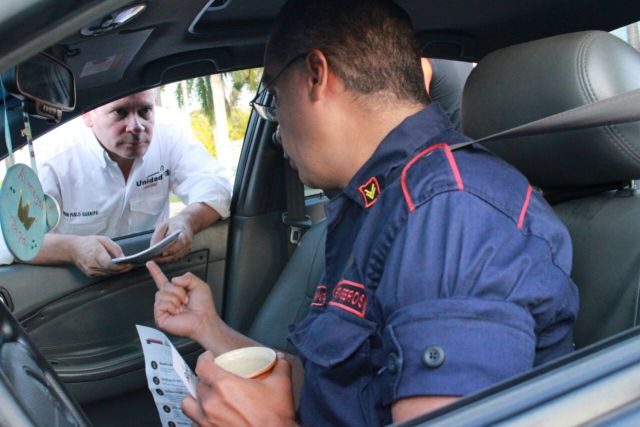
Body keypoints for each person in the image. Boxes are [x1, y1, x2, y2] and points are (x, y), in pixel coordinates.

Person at [148, 0, 579, 425]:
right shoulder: (374, 203)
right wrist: (210, 329)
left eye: (276, 99)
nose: (277, 131)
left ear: (316, 75)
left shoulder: (452, 212)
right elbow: (336, 388)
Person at [30, 90, 231, 276]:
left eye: (145, 111)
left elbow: (217, 189)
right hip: (79, 288)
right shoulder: (56, 159)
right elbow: (12, 239)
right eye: (120, 112)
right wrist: (73, 249)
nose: (136, 126)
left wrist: (186, 221)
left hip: (153, 277)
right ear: (88, 115)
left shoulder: (169, 136)